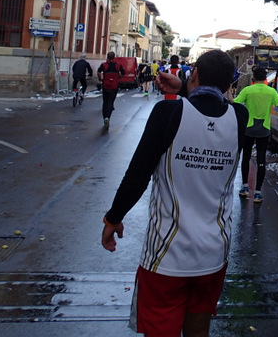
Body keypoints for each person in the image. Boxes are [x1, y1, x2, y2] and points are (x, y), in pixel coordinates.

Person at [101, 49, 247, 337]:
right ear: (230, 85)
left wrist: (113, 218)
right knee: (198, 326)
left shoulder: (167, 112)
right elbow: (213, 114)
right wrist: (190, 88)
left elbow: (138, 174)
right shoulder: (240, 118)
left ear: (194, 74)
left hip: (167, 256)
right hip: (214, 253)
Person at [233, 65, 278, 203]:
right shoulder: (271, 91)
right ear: (265, 78)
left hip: (249, 128)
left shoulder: (247, 90)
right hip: (264, 129)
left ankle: (245, 188)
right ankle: (257, 193)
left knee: (246, 157)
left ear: (254, 78)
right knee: (261, 160)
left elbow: (236, 104)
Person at [97, 52, 125, 130]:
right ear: (114, 57)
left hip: (105, 86)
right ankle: (107, 118)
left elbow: (99, 72)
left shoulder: (104, 65)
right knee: (110, 102)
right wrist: (118, 77)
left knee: (105, 102)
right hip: (114, 86)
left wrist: (101, 79)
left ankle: (104, 119)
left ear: (107, 57)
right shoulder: (118, 65)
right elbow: (123, 73)